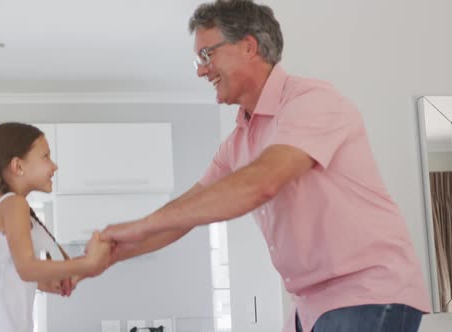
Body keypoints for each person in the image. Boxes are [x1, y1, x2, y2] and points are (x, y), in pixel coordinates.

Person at [100, 1, 431, 331]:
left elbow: (260, 183)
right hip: (310, 303)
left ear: (248, 46)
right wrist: (107, 258)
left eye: (206, 55)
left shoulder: (311, 100)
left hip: (366, 290)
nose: (201, 70)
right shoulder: (237, 143)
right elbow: (183, 214)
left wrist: (139, 226)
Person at [0, 122, 111, 332]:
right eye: (45, 156)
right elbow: (27, 268)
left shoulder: (0, 204)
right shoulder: (14, 204)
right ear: (18, 166)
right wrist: (87, 264)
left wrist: (52, 283)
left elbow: (13, 274)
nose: (54, 166)